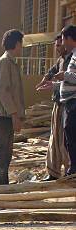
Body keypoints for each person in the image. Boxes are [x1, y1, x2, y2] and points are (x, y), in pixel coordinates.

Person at [0, 29, 25, 185]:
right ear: (16, 43)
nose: (22, 47)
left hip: (7, 115)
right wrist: (14, 114)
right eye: (21, 43)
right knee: (2, 152)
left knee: (6, 153)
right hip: (4, 115)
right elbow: (4, 91)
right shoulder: (4, 63)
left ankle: (2, 184)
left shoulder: (11, 63)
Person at [36, 35, 71, 180]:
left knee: (66, 140)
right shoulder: (62, 59)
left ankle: (69, 170)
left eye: (59, 44)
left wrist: (53, 84)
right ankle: (53, 171)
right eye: (56, 45)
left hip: (68, 105)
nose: (57, 48)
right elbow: (52, 71)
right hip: (58, 104)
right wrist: (46, 78)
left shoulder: (71, 60)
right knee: (55, 139)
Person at [59, 25, 76, 176]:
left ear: (70, 39)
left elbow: (73, 78)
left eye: (63, 39)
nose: (62, 42)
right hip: (69, 103)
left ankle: (74, 170)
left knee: (72, 138)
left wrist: (64, 75)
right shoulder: (73, 55)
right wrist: (54, 85)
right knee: (69, 139)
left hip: (74, 104)